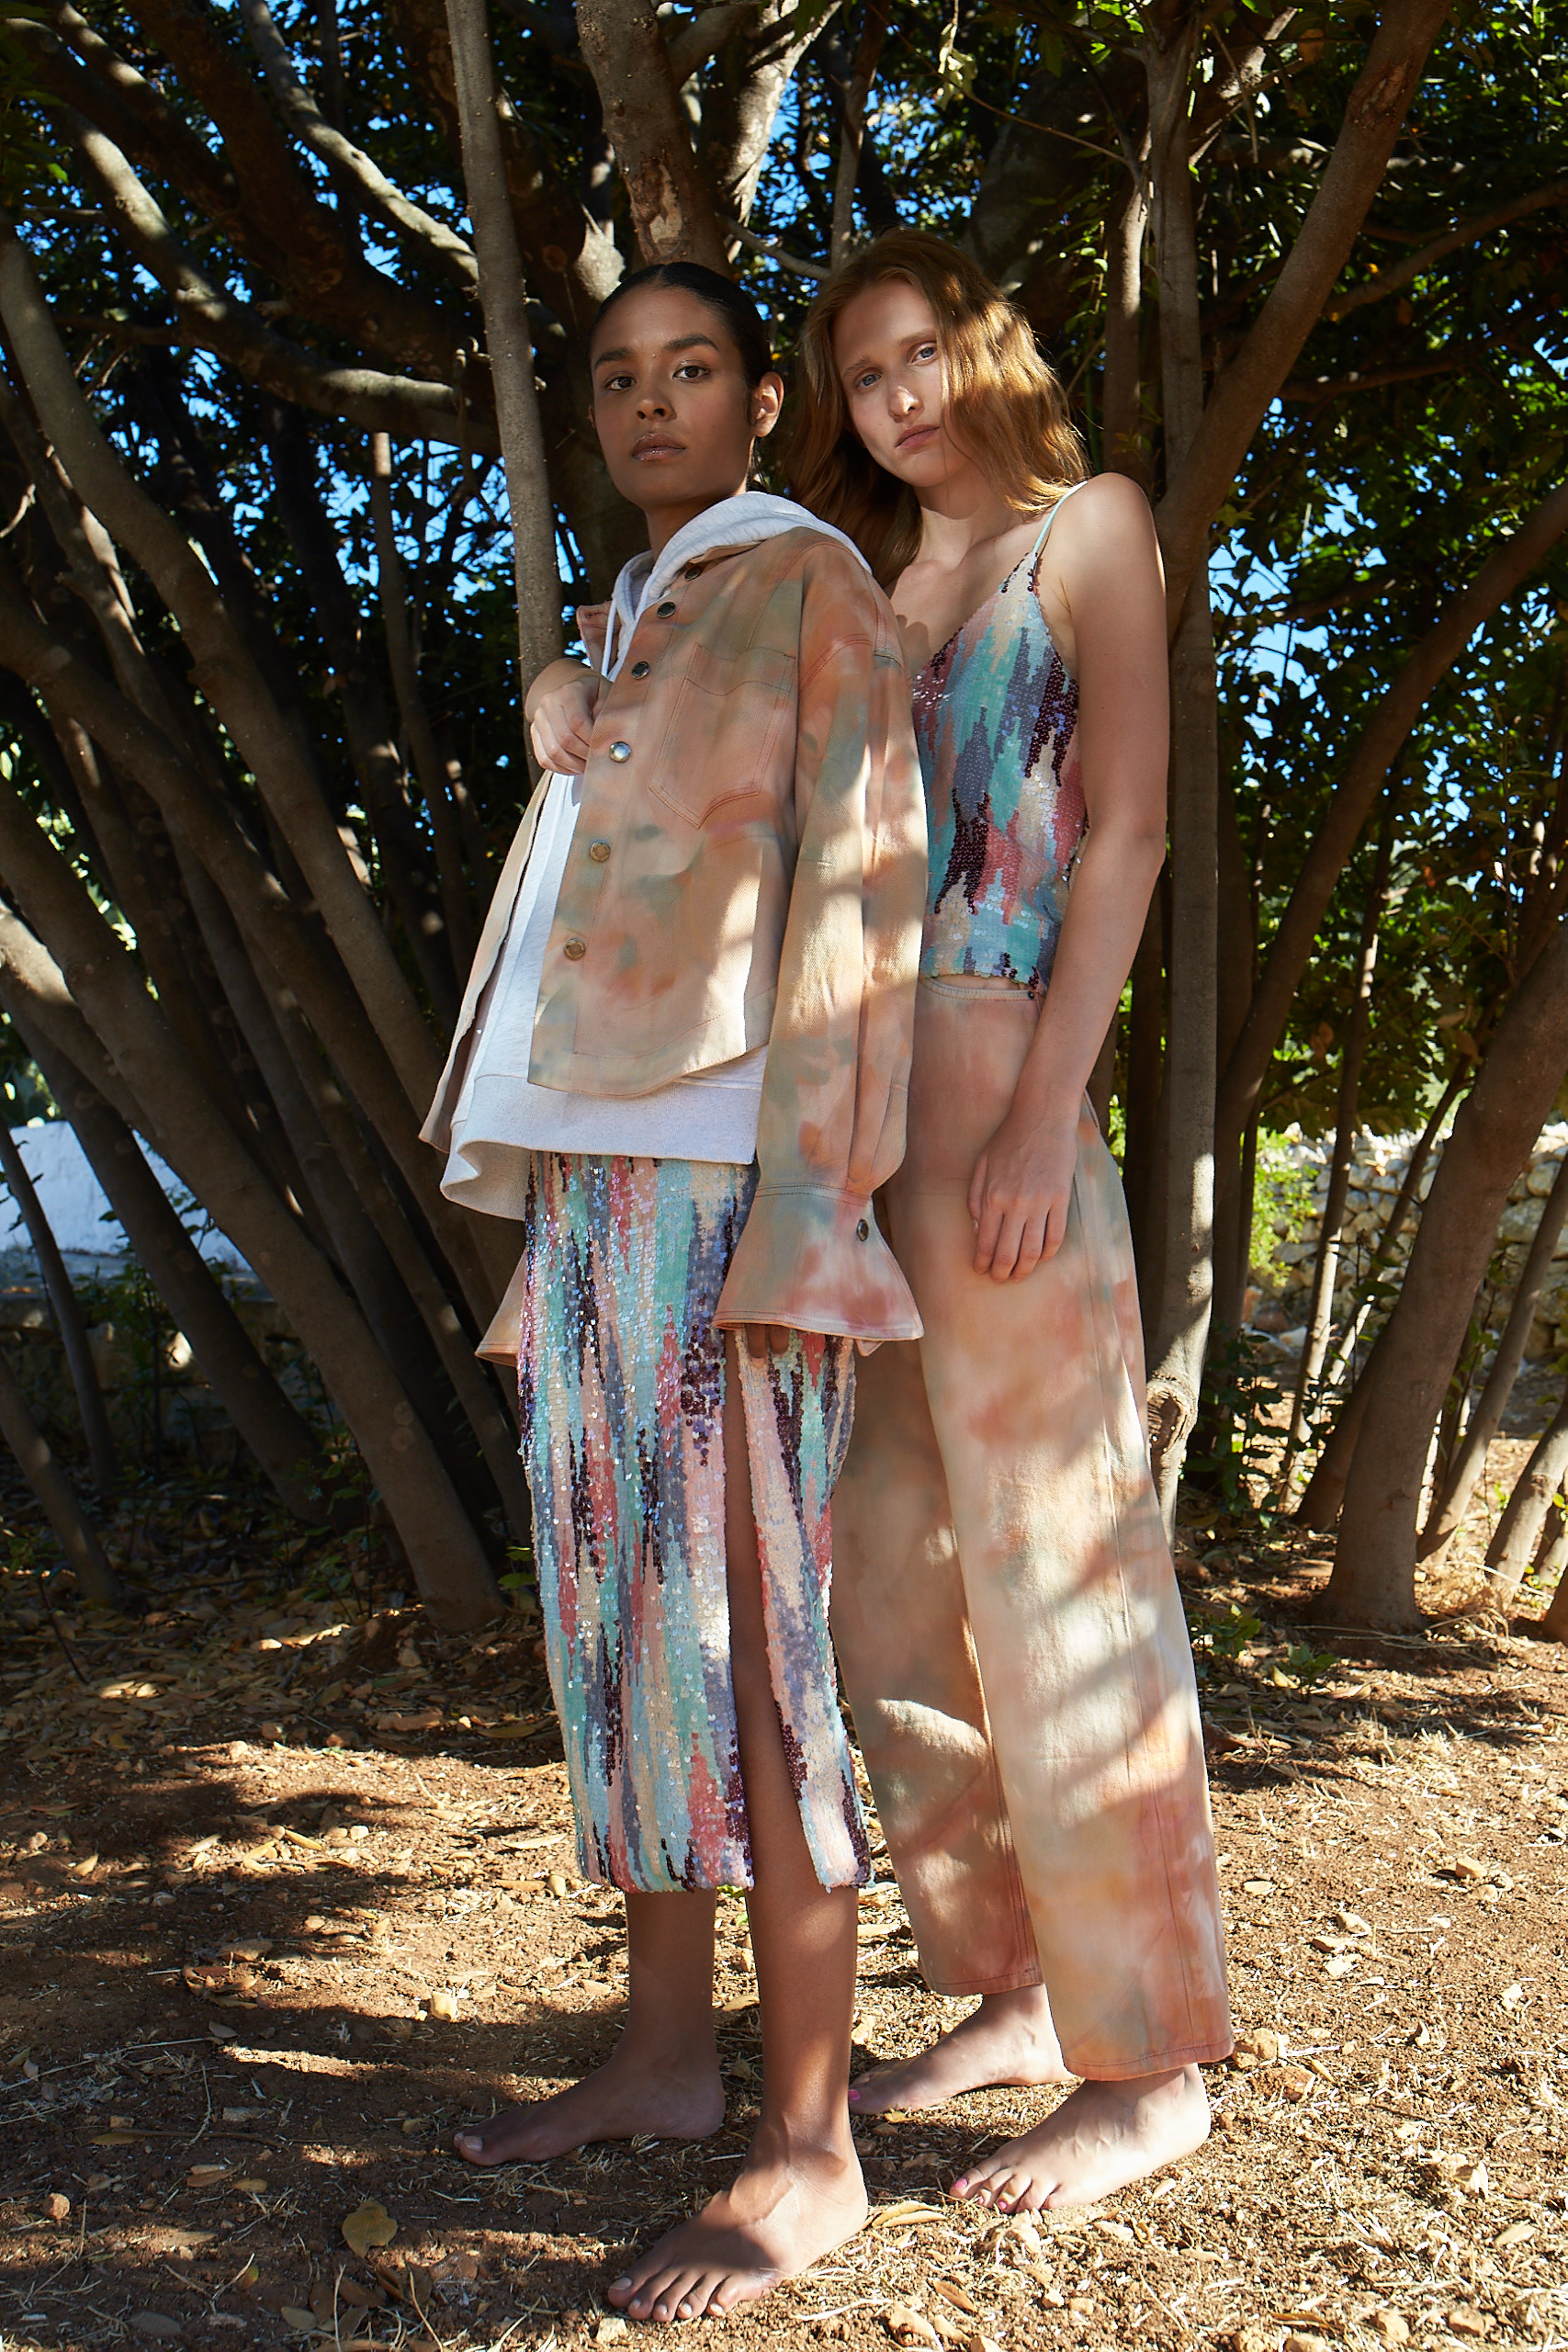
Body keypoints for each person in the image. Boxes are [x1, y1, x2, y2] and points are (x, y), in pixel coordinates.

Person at [421, 261, 927, 2322]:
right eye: (618, 374)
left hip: (734, 1182)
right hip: (601, 1179)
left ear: (756, 401)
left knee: (750, 1635)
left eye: (692, 368)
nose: (650, 402)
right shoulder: (644, 605)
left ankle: (811, 2149)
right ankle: (661, 2055)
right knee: (623, 1621)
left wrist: (818, 1206)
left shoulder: (806, 582)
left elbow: (866, 899)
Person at [787, 228, 1233, 2215]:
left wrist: (1051, 1110)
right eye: (862, 375)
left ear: (985, 349)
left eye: (918, 354)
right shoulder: (861, 582)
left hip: (998, 1064)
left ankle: (1151, 2059)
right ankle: (1014, 1986)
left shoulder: (1089, 528)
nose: (896, 397)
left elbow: (1124, 828)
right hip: (848, 1093)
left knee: (1060, 1555)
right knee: (880, 1565)